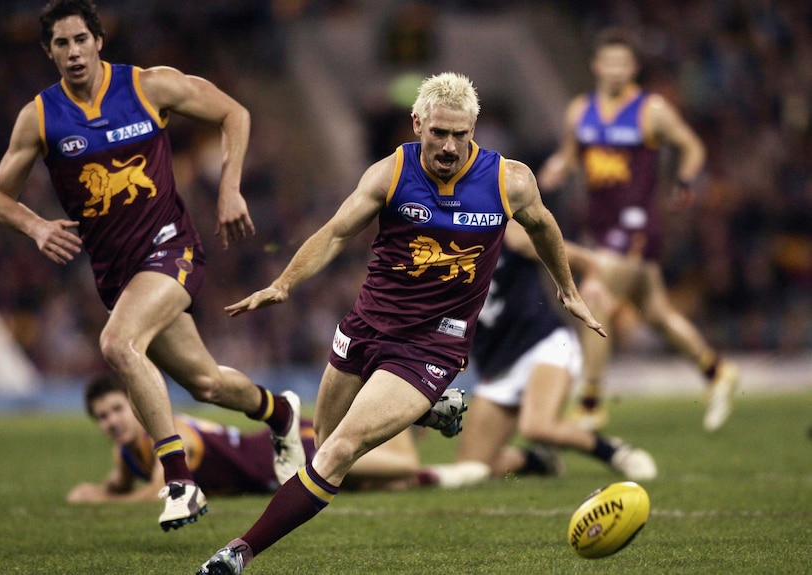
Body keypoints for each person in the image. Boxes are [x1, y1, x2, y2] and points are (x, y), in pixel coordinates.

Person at [196, 72, 606, 574]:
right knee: (323, 442)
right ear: (417, 125)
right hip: (366, 327)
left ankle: (238, 553)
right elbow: (335, 233)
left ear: (475, 127)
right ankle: (429, 410)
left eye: (461, 134)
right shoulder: (389, 173)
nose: (450, 146)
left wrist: (566, 289)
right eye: (439, 133)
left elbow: (544, 226)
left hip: (432, 347)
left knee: (339, 453)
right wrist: (284, 283)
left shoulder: (510, 181)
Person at [0, 0, 305, 532]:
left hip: (171, 248)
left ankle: (179, 482)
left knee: (117, 344)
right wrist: (37, 227)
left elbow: (235, 113)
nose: (73, 52)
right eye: (61, 44)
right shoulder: (40, 116)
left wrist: (229, 190)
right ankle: (281, 414)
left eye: (81, 40)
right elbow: (0, 198)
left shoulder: (147, 86)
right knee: (205, 382)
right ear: (49, 52)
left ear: (99, 41)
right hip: (117, 274)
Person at [538, 27, 739, 433]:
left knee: (594, 292)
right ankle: (717, 372)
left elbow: (691, 146)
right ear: (597, 65)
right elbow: (569, 154)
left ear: (633, 67)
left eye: (623, 63)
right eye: (608, 62)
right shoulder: (580, 110)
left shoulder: (652, 110)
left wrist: (684, 181)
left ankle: (591, 401)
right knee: (657, 313)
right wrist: (556, 170)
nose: (615, 70)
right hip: (600, 226)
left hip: (637, 225)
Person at [427, 222, 657, 490]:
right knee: (471, 470)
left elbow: (566, 252)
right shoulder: (431, 259)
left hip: (542, 343)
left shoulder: (501, 229)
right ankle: (537, 460)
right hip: (497, 364)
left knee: (537, 426)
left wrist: (592, 276)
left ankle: (616, 452)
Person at [67, 374, 425, 504]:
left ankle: (409, 414)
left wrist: (98, 500)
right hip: (274, 460)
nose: (112, 422)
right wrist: (106, 488)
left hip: (293, 453)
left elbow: (157, 493)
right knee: (394, 485)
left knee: (406, 467)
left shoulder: (172, 439)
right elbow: (121, 482)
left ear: (135, 405)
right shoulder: (127, 454)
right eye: (102, 416)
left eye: (116, 409)